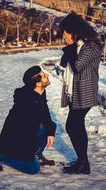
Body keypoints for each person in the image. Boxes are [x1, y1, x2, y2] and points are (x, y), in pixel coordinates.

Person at [59, 12, 103, 174]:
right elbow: (65, 63)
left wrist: (70, 46)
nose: (65, 37)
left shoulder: (91, 46)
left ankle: (84, 164)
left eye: (66, 34)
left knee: (72, 125)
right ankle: (82, 162)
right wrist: (69, 47)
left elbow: (77, 66)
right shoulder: (79, 46)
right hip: (74, 92)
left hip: (84, 92)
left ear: (74, 31)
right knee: (76, 126)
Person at [0, 65, 56, 174]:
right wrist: (28, 155)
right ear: (38, 84)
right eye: (44, 76)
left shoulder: (39, 92)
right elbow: (24, 133)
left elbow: (45, 115)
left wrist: (51, 132)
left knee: (50, 126)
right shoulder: (26, 102)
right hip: (13, 145)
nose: (47, 75)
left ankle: (35, 155)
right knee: (33, 169)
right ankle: (1, 155)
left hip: (25, 138)